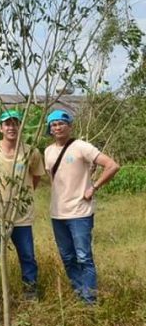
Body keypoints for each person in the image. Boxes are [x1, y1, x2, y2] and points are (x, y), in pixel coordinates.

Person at [44, 109, 119, 305]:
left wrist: (93, 187)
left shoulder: (81, 147)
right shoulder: (48, 151)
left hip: (80, 212)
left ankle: (89, 300)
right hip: (57, 213)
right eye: (54, 124)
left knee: (84, 257)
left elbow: (112, 165)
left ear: (70, 126)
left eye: (61, 123)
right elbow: (53, 180)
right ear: (49, 129)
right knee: (68, 257)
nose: (58, 127)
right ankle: (79, 293)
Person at [0, 110, 45, 300]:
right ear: (0, 128)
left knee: (27, 256)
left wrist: (21, 196)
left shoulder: (31, 152)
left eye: (15, 123)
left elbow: (36, 177)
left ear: (20, 127)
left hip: (21, 216)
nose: (12, 127)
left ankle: (30, 292)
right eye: (7, 124)